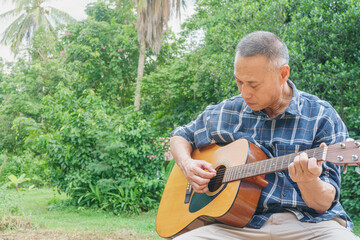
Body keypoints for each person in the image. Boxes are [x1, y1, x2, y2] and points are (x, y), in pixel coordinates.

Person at [170, 31, 359, 239]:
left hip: (309, 224)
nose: (244, 93)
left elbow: (323, 203)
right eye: (239, 82)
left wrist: (308, 181)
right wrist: (187, 165)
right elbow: (181, 135)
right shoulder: (228, 111)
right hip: (235, 226)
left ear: (283, 74)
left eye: (253, 84)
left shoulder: (322, 116)